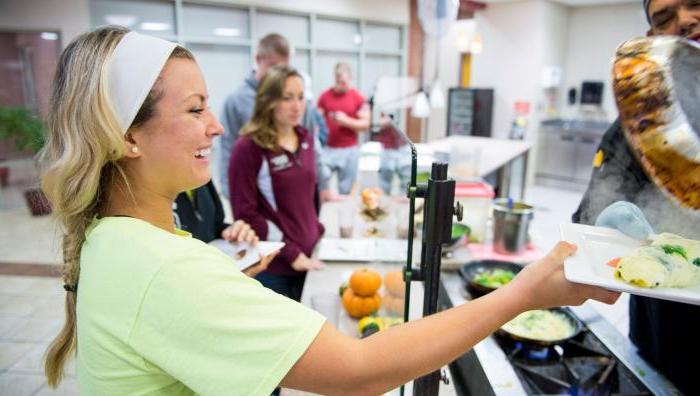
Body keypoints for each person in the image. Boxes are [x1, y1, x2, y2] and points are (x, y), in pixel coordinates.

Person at [41, 26, 618, 395]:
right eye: (195, 109)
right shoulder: (163, 269)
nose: (214, 126)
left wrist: (217, 280)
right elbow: (360, 371)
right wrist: (523, 293)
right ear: (126, 138)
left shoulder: (114, 237)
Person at [572, 0, 700, 393]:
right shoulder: (645, 122)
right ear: (655, 39)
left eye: (696, 4)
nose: (684, 20)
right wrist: (609, 226)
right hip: (666, 346)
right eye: (664, 18)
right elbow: (587, 224)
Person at [228, 65, 325, 302]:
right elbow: (246, 214)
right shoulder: (249, 148)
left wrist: (317, 230)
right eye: (287, 98)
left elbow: (309, 195)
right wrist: (292, 254)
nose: (297, 106)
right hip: (278, 268)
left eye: (301, 97)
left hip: (310, 255)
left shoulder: (305, 138)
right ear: (269, 101)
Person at [219, 33, 329, 200]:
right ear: (258, 59)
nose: (279, 75)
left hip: (296, 191)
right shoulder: (236, 102)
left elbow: (312, 143)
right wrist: (230, 191)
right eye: (272, 66)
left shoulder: (299, 102)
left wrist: (323, 182)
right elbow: (228, 148)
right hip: (256, 194)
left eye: (283, 68)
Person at [173, 181, 271, 278]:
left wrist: (231, 232)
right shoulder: (161, 193)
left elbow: (216, 224)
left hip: (217, 275)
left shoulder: (201, 177)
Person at [317, 62, 370, 194]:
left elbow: (365, 125)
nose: (341, 85)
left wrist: (347, 121)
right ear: (335, 78)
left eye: (344, 82)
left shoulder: (357, 98)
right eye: (339, 81)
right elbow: (316, 120)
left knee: (345, 190)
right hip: (328, 149)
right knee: (321, 182)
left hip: (349, 151)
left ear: (350, 79)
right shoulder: (325, 96)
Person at [375, 113, 412, 195]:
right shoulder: (379, 110)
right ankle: (383, 198)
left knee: (406, 178)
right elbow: (376, 124)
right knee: (384, 179)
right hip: (387, 149)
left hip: (403, 147)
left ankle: (404, 197)